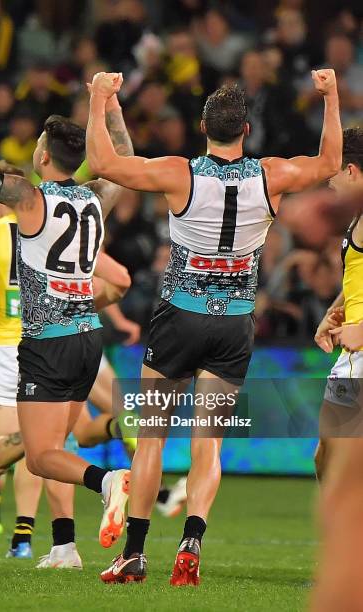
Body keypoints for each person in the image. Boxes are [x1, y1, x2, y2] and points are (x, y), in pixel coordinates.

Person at [85, 69, 341, 584]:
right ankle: (192, 540)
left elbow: (106, 163)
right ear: (247, 131)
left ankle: (134, 554)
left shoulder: (180, 173)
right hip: (233, 324)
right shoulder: (271, 175)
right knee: (210, 443)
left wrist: (98, 98)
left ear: (203, 126)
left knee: (153, 438)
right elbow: (331, 161)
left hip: (180, 318)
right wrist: (331, 96)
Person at [0, 73, 135, 550]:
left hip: (46, 341)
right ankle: (64, 548)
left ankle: (107, 482)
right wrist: (108, 104)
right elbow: (125, 160)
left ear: (44, 156)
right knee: (64, 442)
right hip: (89, 337)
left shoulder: (29, 200)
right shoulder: (95, 195)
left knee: (40, 457)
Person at [313, 127, 363, 481]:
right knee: (326, 457)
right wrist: (334, 311)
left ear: (350, 170)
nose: (327, 176)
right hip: (353, 356)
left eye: (333, 166)